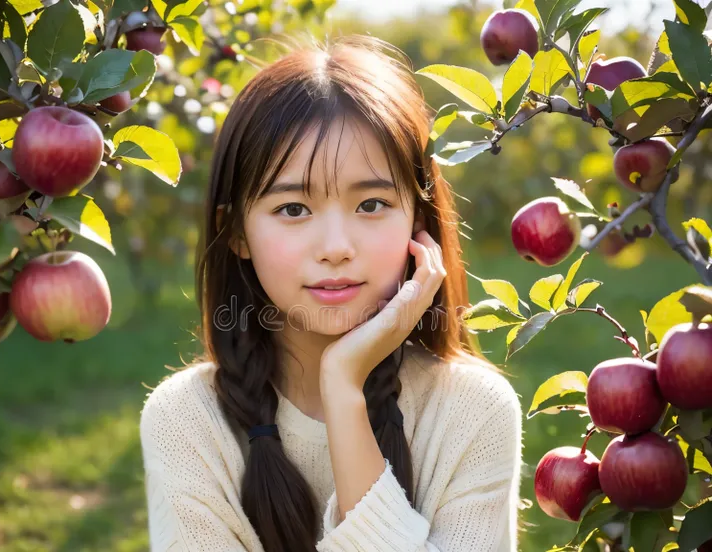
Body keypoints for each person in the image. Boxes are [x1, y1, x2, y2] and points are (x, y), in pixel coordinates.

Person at [139, 34, 523, 552]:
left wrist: (344, 388)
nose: (337, 248)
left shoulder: (472, 410)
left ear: (419, 219)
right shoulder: (187, 420)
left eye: (371, 205)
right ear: (236, 234)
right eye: (293, 209)